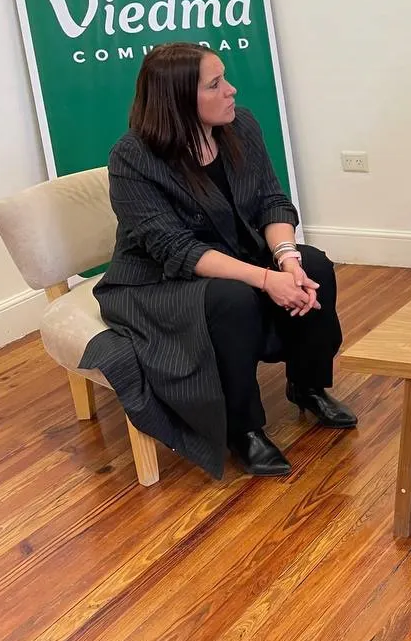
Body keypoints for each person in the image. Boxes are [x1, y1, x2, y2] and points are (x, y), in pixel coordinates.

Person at [87, 42, 355, 479]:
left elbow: (271, 200)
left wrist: (286, 261)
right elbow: (177, 250)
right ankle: (242, 428)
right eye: (215, 84)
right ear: (178, 101)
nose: (231, 90)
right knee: (232, 299)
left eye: (224, 78)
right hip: (159, 280)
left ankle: (307, 385)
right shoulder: (132, 157)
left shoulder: (240, 125)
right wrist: (267, 280)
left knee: (315, 265)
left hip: (234, 250)